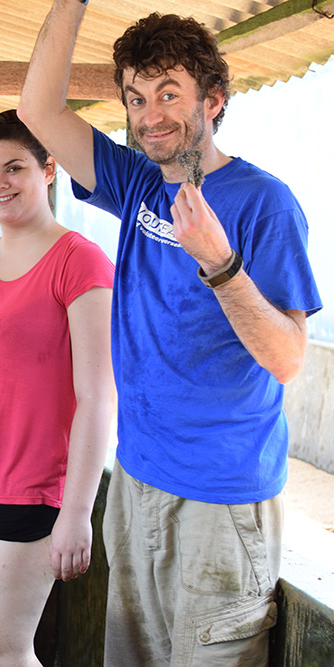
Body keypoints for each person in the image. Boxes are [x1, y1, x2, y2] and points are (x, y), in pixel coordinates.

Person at [20, 7, 323, 665]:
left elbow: (288, 358)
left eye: (168, 94)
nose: (149, 114)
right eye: (135, 97)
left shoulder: (263, 202)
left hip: (225, 498)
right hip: (136, 481)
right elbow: (39, 109)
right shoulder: (136, 184)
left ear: (212, 101)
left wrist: (222, 264)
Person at [0, 110, 115, 666]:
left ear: (49, 169)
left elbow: (98, 395)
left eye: (13, 168)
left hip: (30, 487)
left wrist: (76, 510)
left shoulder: (79, 261)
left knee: (1, 648)